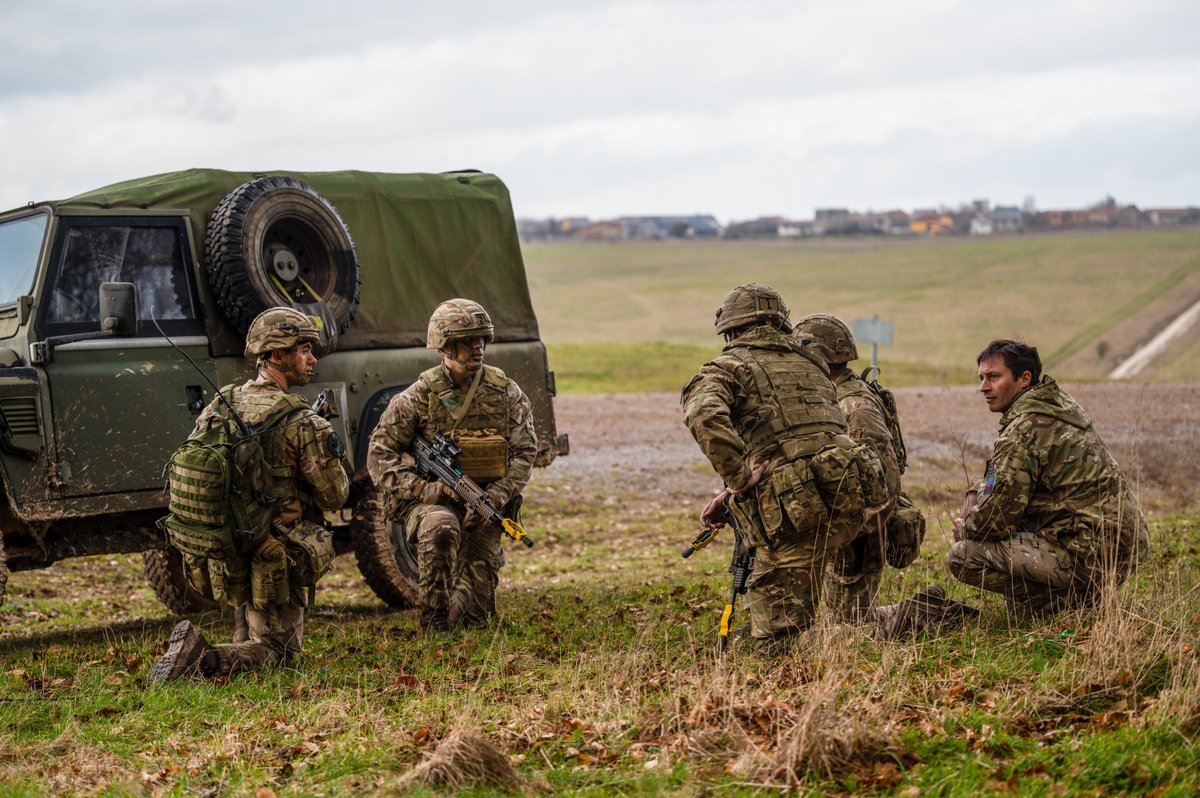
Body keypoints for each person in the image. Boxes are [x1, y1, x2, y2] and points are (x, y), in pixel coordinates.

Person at [681, 284, 887, 651]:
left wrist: (740, 480)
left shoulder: (728, 366)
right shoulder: (812, 364)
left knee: (775, 640)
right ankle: (839, 636)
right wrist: (731, 495)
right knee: (810, 604)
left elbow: (702, 414)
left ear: (731, 331)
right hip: (848, 499)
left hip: (795, 512)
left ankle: (826, 660)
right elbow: (797, 439)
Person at [150, 307, 350, 681]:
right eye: (304, 348)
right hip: (273, 554)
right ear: (277, 355)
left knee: (254, 629)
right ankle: (199, 660)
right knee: (277, 652)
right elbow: (334, 496)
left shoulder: (221, 404)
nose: (313, 358)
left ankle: (239, 635)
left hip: (226, 547)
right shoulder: (301, 420)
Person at [367, 298, 537, 632]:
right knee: (441, 528)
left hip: (485, 501)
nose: (478, 347)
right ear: (445, 346)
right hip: (432, 504)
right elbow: (378, 455)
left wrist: (497, 496)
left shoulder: (505, 391)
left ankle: (456, 608)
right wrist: (424, 488)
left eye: (481, 339)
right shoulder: (418, 397)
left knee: (475, 620)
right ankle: (433, 613)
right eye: (467, 341)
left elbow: (525, 451)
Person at [948, 339, 1149, 615]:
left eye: (994, 377)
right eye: (982, 378)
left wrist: (966, 528)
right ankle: (1070, 595)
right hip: (1120, 547)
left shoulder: (1023, 428)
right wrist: (976, 493)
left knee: (963, 556)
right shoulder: (1058, 406)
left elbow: (995, 520)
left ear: (1024, 379)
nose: (983, 387)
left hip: (1088, 554)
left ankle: (1063, 603)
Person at [792, 314, 902, 623]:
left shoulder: (854, 407)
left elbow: (886, 490)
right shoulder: (831, 396)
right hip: (845, 537)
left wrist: (837, 534)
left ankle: (925, 611)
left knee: (851, 632)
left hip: (856, 546)